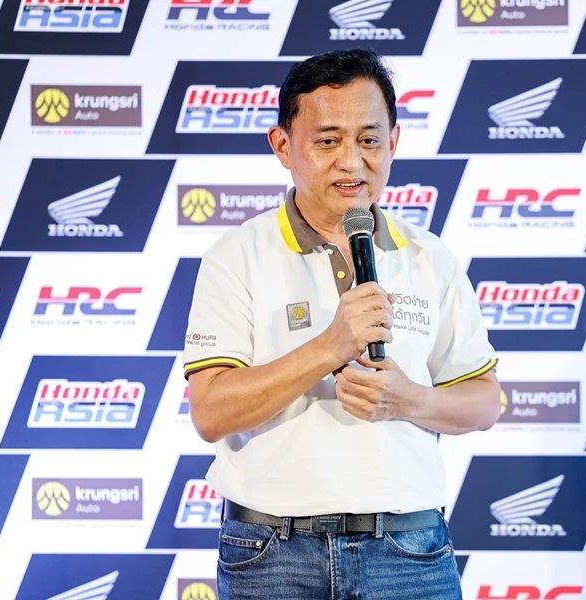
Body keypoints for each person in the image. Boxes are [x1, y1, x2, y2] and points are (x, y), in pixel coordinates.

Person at [183, 48, 501, 600]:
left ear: (394, 142)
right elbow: (211, 413)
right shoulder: (236, 255)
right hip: (271, 552)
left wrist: (408, 399)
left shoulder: (430, 257)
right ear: (283, 146)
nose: (352, 162)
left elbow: (485, 402)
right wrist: (330, 346)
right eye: (328, 141)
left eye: (370, 140)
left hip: (409, 550)